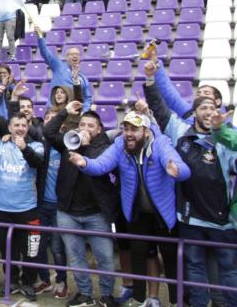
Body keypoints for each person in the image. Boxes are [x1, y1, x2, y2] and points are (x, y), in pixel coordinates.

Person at [69, 111, 190, 307]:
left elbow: (182, 167)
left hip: (163, 214)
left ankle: (178, 301)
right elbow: (101, 165)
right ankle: (140, 299)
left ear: (146, 131)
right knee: (139, 254)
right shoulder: (120, 145)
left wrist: (177, 171)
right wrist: (85, 163)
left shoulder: (160, 143)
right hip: (137, 213)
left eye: (134, 129)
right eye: (125, 128)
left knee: (171, 258)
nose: (128, 133)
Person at [144, 77, 237, 307]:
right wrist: (149, 79)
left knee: (229, 271)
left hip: (223, 222)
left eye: (212, 107)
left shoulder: (227, 139)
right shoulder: (181, 131)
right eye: (202, 107)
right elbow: (160, 109)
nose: (208, 111)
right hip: (190, 219)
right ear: (194, 113)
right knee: (194, 270)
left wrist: (220, 130)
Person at [43, 102, 119, 307]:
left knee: (105, 258)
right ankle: (84, 293)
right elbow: (48, 132)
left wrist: (84, 145)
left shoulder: (107, 147)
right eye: (82, 124)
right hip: (67, 211)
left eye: (91, 126)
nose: (85, 128)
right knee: (76, 257)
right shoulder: (69, 142)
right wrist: (64, 112)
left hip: (96, 213)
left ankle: (106, 295)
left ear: (99, 129)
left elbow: (99, 165)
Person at [0, 114, 44, 302]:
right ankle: (11, 282)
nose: (20, 128)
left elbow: (37, 162)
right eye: (16, 125)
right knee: (7, 251)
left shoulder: (36, 146)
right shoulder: (2, 145)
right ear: (10, 127)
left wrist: (24, 148)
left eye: (23, 125)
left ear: (28, 127)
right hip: (3, 209)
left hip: (27, 209)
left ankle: (28, 283)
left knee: (31, 251)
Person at [35, 26, 92, 111]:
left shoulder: (83, 78)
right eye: (72, 54)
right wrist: (40, 38)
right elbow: (46, 53)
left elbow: (87, 98)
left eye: (77, 54)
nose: (75, 56)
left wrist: (85, 111)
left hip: (71, 113)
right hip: (54, 109)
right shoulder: (58, 66)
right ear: (66, 57)